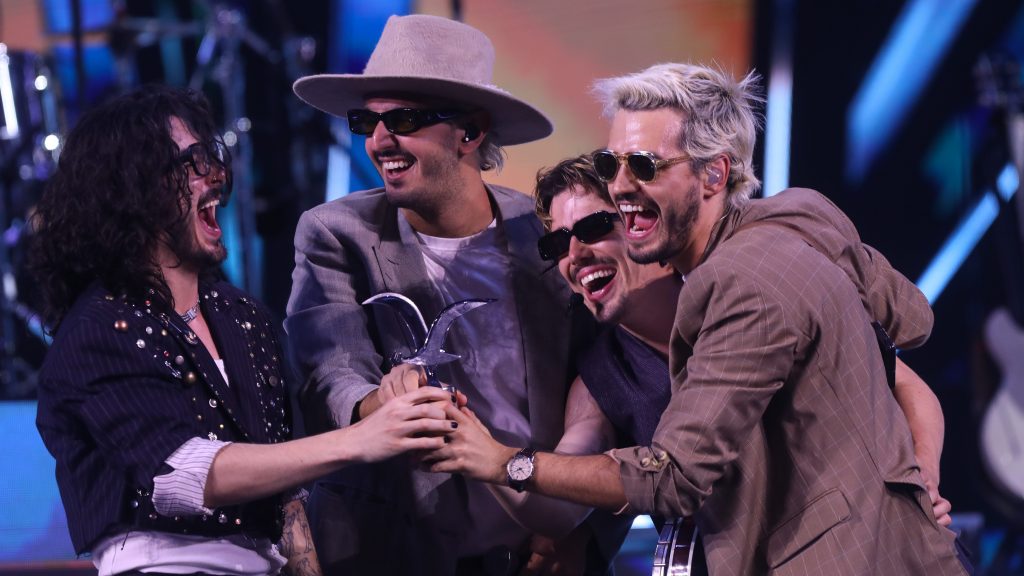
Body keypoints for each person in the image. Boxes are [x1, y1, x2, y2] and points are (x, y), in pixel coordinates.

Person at [428, 64, 972, 575]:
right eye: (612, 166)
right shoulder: (793, 221)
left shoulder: (737, 279)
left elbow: (675, 477)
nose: (621, 188)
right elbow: (912, 320)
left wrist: (916, 482)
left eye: (644, 167)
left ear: (714, 173)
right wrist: (484, 454)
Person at [31, 85, 456, 576]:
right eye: (192, 162)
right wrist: (361, 438)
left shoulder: (242, 316)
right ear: (133, 187)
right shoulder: (101, 328)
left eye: (211, 157)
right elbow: (185, 473)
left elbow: (286, 495)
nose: (216, 175)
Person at [284, 13, 622, 575]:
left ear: (471, 132)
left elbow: (617, 391)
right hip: (391, 555)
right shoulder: (335, 233)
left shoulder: (548, 235)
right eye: (366, 121)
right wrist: (383, 402)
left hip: (535, 557)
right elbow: (327, 374)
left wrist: (581, 532)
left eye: (404, 119)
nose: (379, 141)